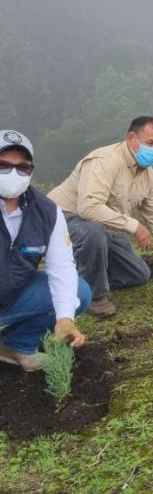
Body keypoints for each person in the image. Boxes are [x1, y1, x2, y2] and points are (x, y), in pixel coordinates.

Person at [48, 117, 153, 317]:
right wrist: (135, 226)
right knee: (93, 233)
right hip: (63, 218)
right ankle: (94, 297)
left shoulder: (148, 175)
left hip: (104, 225)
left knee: (138, 274)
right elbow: (88, 207)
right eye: (150, 143)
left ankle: (81, 275)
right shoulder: (104, 161)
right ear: (131, 138)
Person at [0, 129, 90, 371]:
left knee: (79, 292)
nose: (14, 174)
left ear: (31, 170)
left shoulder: (47, 212)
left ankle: (16, 345)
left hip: (11, 298)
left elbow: (61, 266)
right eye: (3, 166)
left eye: (23, 168)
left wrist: (65, 318)